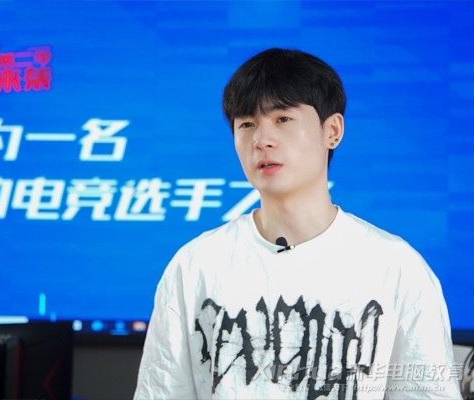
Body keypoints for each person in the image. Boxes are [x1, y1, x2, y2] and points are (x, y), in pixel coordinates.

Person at [133, 48, 462, 400]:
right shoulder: (196, 265)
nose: (262, 140)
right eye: (247, 124)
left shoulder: (397, 268)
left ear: (332, 131)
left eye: (283, 119)